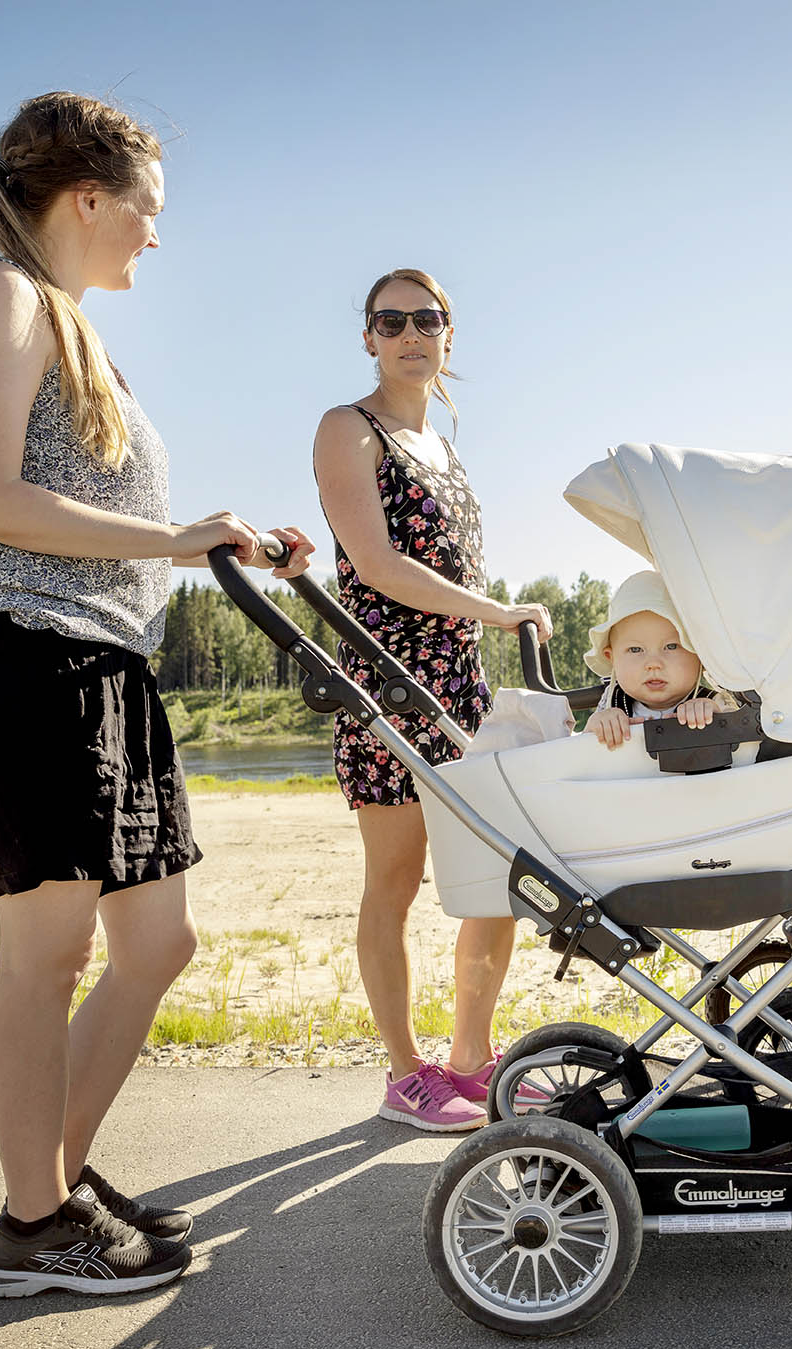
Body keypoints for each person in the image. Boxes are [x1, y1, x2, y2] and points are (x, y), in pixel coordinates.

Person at [0, 92, 314, 1298]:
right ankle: (34, 1229)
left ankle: (55, 1180)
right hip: (21, 651)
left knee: (158, 939)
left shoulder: (78, 329)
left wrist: (218, 543)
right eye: (151, 208)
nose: (158, 233)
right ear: (88, 197)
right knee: (47, 950)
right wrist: (177, 536)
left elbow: (91, 517)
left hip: (102, 660)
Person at [312, 268, 551, 1132]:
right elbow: (375, 565)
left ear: (448, 333)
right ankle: (406, 1073)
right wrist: (497, 612)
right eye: (391, 320)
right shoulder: (350, 429)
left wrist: (485, 629)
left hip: (460, 684)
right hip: (387, 684)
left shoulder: (445, 448)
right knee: (397, 882)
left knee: (491, 882)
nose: (410, 332)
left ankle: (471, 1061)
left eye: (427, 318)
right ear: (368, 336)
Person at [582, 569, 733, 750]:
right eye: (635, 649)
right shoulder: (611, 702)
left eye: (671, 647)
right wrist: (596, 728)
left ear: (699, 654)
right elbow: (583, 757)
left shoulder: (714, 702)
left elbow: (745, 745)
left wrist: (717, 719)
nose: (653, 664)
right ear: (612, 658)